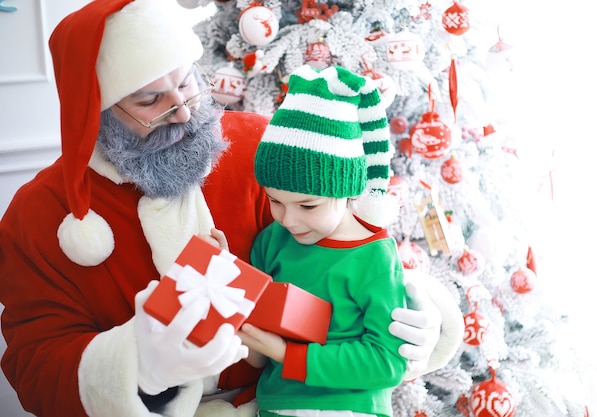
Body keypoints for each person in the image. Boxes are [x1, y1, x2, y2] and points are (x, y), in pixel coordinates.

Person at [0, 1, 456, 416]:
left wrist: (416, 306)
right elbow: (33, 365)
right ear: (93, 111)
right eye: (149, 100)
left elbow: (346, 247)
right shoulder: (38, 214)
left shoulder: (259, 146)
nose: (181, 111)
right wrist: (137, 366)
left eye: (186, 84)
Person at [239, 64, 408, 417]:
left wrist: (287, 355)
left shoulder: (373, 256)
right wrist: (227, 276)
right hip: (275, 406)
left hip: (350, 408)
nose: (288, 219)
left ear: (348, 193)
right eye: (275, 200)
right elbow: (254, 352)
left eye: (308, 205)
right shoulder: (272, 241)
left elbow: (387, 363)